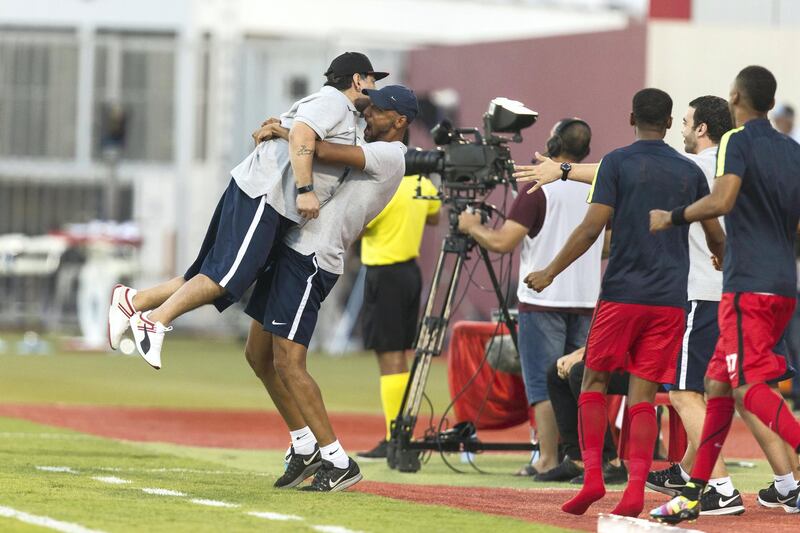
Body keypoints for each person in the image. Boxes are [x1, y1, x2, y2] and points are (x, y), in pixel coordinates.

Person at [106, 52, 387, 369]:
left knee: (206, 275)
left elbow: (301, 135)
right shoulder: (334, 102)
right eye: (372, 79)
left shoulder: (342, 112)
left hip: (265, 196)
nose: (375, 88)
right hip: (267, 195)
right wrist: (306, 189)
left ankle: (133, 301)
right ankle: (153, 321)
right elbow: (304, 136)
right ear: (357, 80)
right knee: (225, 278)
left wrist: (282, 130)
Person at [527, 88, 725, 517]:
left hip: (623, 293)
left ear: (631, 116)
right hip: (671, 300)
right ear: (670, 123)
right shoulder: (689, 170)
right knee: (643, 395)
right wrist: (722, 256)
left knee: (592, 383)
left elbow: (591, 227)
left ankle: (594, 479)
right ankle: (635, 490)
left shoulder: (617, 162)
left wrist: (550, 271)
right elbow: (713, 231)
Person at [243, 85, 418, 492]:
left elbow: (321, 150)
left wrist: (287, 131)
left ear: (401, 122)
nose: (368, 115)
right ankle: (304, 446)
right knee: (258, 356)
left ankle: (338, 461)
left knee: (288, 361)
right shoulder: (372, 142)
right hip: (293, 248)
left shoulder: (393, 155)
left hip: (314, 257)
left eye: (377, 111)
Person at [649, 66, 800, 524]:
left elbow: (722, 200)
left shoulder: (737, 141)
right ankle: (695, 494)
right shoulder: (792, 149)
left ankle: (708, 490)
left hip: (746, 284)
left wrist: (671, 217)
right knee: (717, 386)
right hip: (781, 283)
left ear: (736, 96)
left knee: (746, 385)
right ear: (771, 102)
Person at [458, 118, 604, 479]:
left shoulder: (538, 188)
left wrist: (472, 227)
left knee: (543, 382)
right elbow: (605, 245)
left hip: (543, 299)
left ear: (554, 144)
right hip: (587, 297)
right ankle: (582, 457)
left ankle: (548, 458)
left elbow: (503, 241)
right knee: (581, 380)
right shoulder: (597, 186)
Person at [644, 96, 745, 516]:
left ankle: (719, 487)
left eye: (686, 122)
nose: (681, 129)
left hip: (700, 292)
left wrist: (563, 171)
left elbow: (628, 169)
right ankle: (690, 472)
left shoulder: (697, 168)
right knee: (717, 391)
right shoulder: (732, 171)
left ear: (702, 128)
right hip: (730, 291)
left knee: (683, 392)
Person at [355, 172, 441, 460]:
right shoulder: (423, 183)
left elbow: (357, 226)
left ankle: (396, 437)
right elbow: (434, 216)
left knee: (388, 355)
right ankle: (402, 431)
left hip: (384, 273)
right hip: (409, 274)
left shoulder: (383, 186)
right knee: (400, 354)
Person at [545, 347, 629, 484]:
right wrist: (575, 355)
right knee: (556, 374)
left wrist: (584, 357)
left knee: (580, 373)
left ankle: (610, 462)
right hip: (620, 354)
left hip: (649, 363)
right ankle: (576, 459)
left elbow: (623, 339)